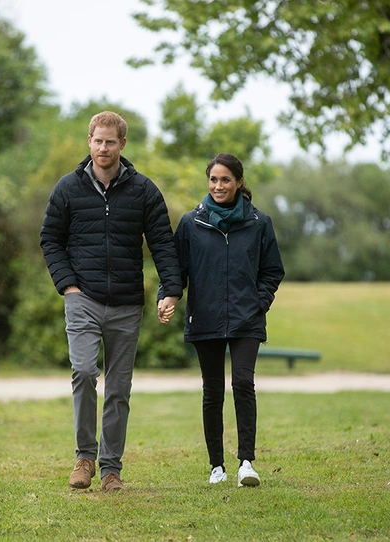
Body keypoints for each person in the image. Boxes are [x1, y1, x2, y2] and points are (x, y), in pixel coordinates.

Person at [40, 111, 182, 492]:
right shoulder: (68, 188)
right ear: (89, 141)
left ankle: (111, 470)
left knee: (119, 388)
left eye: (111, 141)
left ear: (122, 144)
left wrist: (170, 288)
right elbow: (50, 239)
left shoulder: (143, 190)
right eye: (97, 140)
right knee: (85, 372)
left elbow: (163, 243)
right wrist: (68, 286)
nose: (104, 147)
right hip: (82, 298)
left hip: (126, 303)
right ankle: (84, 458)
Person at [171, 153, 284, 487]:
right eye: (213, 179)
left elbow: (273, 270)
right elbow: (177, 270)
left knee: (243, 384)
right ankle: (216, 467)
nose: (218, 186)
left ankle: (246, 463)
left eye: (225, 180)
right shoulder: (192, 223)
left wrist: (258, 302)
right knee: (212, 391)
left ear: (238, 183)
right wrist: (169, 295)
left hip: (246, 319)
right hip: (205, 317)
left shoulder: (259, 223)